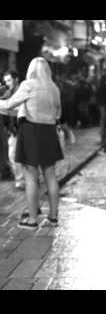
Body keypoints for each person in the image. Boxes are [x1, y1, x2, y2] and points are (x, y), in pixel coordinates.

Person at [0, 58, 63, 229]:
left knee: (31, 178)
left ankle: (32, 219)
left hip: (31, 132)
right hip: (49, 132)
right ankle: (53, 217)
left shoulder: (28, 85)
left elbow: (9, 104)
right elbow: (58, 113)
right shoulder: (54, 88)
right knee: (50, 176)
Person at [1, 71, 21, 185]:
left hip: (23, 127)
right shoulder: (8, 92)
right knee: (12, 154)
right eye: (5, 81)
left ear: (16, 79)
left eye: (9, 80)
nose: (7, 83)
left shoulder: (21, 91)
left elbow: (12, 109)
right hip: (13, 129)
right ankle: (20, 179)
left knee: (17, 155)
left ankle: (23, 179)